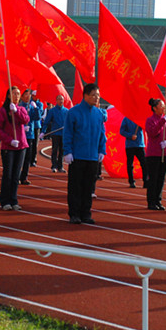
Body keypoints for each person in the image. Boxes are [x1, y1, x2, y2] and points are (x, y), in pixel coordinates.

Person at [63, 83, 106, 224]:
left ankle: (86, 213)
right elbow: (68, 133)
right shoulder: (73, 112)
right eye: (93, 95)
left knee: (88, 188)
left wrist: (102, 150)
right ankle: (74, 214)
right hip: (77, 156)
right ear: (85, 95)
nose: (96, 98)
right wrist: (68, 151)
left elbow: (102, 134)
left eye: (98, 95)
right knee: (76, 187)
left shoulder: (99, 114)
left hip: (92, 157)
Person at [0, 87, 29, 210]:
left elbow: (25, 120)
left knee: (16, 176)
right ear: (8, 95)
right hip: (8, 147)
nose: (17, 96)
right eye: (14, 93)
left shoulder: (21, 109)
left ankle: (14, 200)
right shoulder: (3, 110)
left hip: (21, 146)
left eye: (18, 94)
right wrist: (9, 140)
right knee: (8, 175)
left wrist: (16, 111)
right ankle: (5, 201)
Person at [145, 98, 166, 211]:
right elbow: (152, 133)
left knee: (161, 178)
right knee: (153, 178)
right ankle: (151, 201)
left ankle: (158, 200)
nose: (163, 107)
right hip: (154, 153)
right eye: (161, 105)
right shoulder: (150, 120)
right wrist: (161, 122)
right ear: (154, 108)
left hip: (165, 152)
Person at [18, 89, 40, 185]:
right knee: (19, 158)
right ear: (22, 96)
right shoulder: (19, 106)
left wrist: (36, 108)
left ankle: (24, 177)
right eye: (26, 95)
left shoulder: (31, 106)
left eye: (29, 94)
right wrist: (22, 127)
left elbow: (37, 117)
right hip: (20, 135)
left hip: (30, 135)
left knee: (27, 157)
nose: (28, 96)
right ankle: (17, 176)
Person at [41, 94, 68, 173]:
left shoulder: (66, 111)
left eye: (62, 99)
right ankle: (54, 166)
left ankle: (60, 166)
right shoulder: (52, 111)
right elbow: (46, 122)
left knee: (62, 151)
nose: (61, 101)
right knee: (55, 150)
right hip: (55, 133)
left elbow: (69, 123)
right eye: (59, 99)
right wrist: (43, 131)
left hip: (63, 134)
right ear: (56, 101)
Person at [119, 116, 147, 189]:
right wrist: (130, 136)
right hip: (130, 145)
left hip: (140, 145)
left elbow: (146, 127)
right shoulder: (126, 119)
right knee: (130, 164)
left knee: (144, 163)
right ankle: (131, 181)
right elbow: (122, 131)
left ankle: (146, 181)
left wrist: (141, 124)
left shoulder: (140, 118)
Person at [30, 90, 44, 166]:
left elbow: (39, 114)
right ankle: (28, 159)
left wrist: (36, 107)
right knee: (29, 143)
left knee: (35, 143)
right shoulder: (29, 103)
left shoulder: (40, 104)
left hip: (36, 126)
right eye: (34, 96)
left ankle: (33, 159)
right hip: (29, 125)